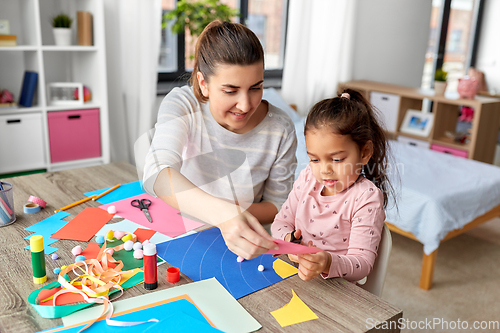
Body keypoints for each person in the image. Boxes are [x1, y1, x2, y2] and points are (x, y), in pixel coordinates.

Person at [142, 20, 297, 259]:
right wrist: (223, 214)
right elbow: (157, 172)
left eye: (256, 87)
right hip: (184, 235)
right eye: (230, 91)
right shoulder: (183, 104)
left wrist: (231, 217)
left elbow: (277, 206)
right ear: (203, 83)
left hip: (246, 247)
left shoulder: (280, 128)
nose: (245, 105)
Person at [271, 89, 394, 282]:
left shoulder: (366, 197)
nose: (325, 170)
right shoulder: (307, 178)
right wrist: (288, 242)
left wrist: (327, 262)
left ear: (364, 153)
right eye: (314, 159)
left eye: (336, 159)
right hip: (295, 276)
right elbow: (280, 223)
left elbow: (362, 264)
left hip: (338, 290)